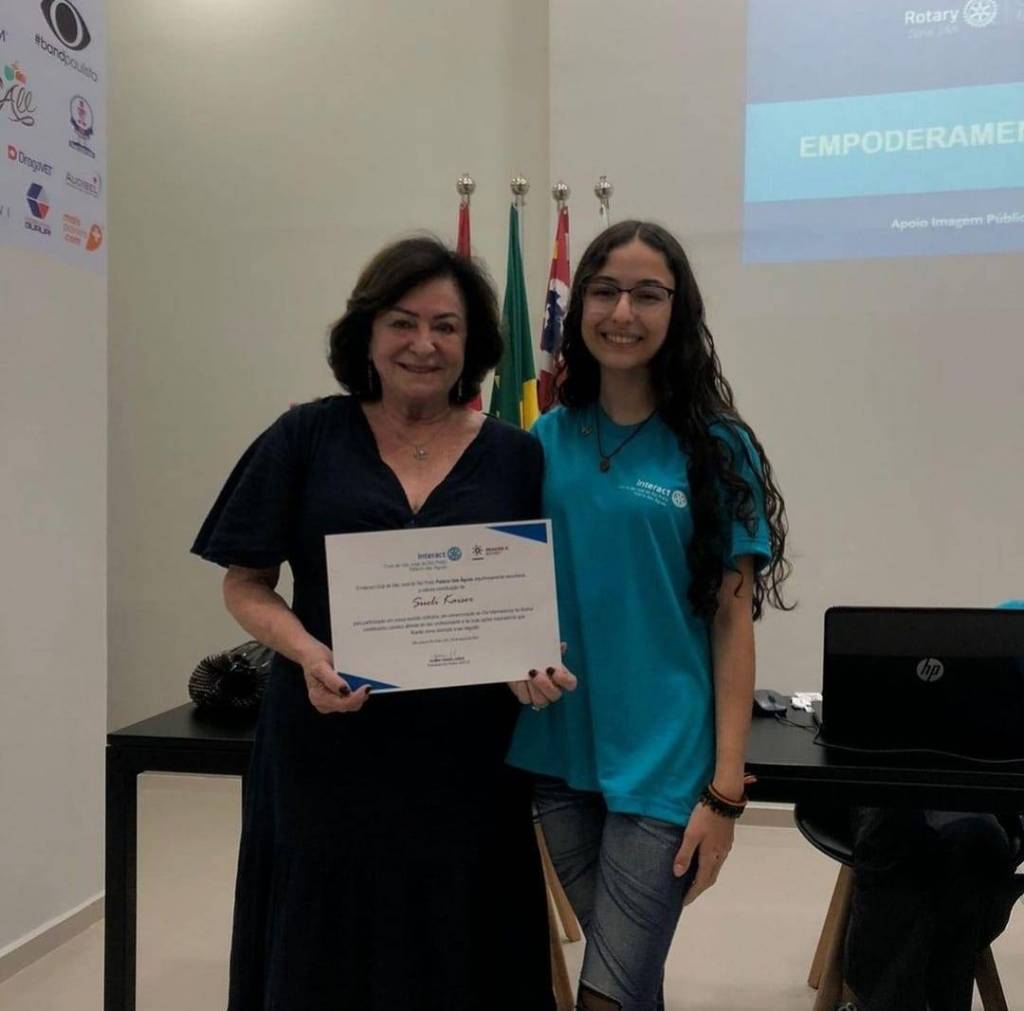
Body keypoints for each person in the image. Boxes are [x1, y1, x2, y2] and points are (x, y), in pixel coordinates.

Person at [192, 236, 575, 1010]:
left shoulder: (517, 455)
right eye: (402, 321)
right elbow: (245, 583)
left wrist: (533, 656)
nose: (423, 344)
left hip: (467, 760)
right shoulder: (304, 437)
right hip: (328, 744)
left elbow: (536, 593)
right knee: (324, 945)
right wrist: (306, 651)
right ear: (366, 333)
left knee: (460, 938)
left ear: (472, 343)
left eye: (445, 326)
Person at [507, 220, 791, 1011]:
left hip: (665, 758)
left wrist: (725, 790)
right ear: (579, 308)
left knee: (607, 993)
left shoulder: (717, 447)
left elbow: (732, 623)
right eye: (604, 291)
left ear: (678, 310)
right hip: (558, 749)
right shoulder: (543, 438)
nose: (623, 312)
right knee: (626, 982)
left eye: (647, 294)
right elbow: (512, 588)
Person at [838, 599, 1024, 1011]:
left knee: (965, 848)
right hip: (899, 784)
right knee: (895, 825)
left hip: (983, 800)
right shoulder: (1009, 621)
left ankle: (883, 1001)